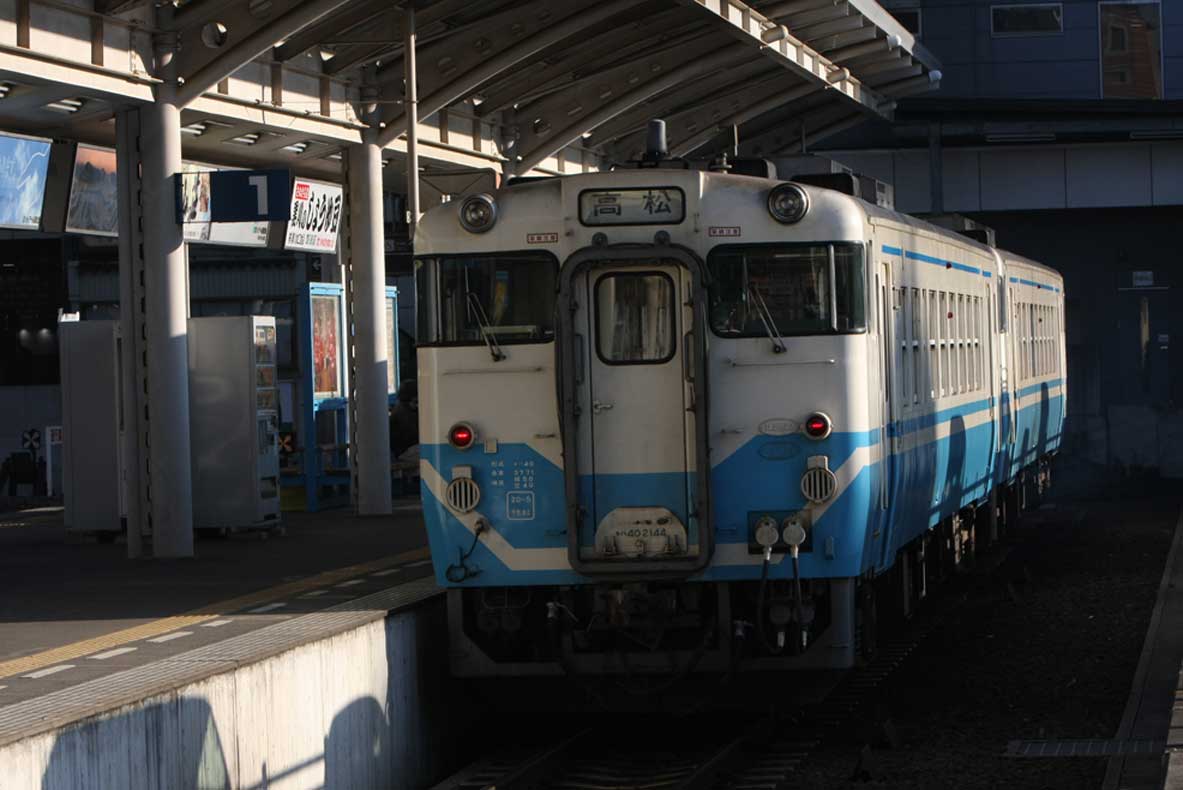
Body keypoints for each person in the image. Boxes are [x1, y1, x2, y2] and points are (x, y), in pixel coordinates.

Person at [389, 379, 419, 460]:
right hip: (404, 452)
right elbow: (414, 436)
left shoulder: (399, 408)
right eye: (416, 401)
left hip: (405, 450)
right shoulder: (403, 412)